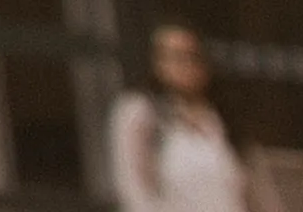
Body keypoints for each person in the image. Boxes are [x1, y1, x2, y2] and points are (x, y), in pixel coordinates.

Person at [103, 19, 266, 212]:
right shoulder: (142, 112)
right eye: (175, 57)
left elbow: (254, 190)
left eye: (193, 56)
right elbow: (133, 188)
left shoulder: (221, 118)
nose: (186, 66)